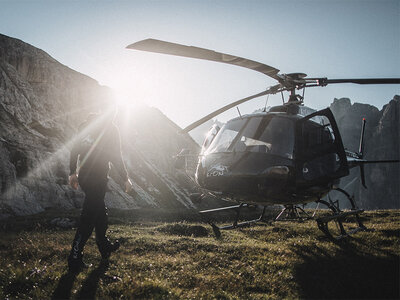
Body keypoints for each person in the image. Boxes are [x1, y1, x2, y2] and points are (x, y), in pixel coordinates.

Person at [68, 109, 132, 273]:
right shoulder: (112, 128)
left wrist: (72, 173)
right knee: (89, 217)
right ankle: (74, 257)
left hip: (84, 177)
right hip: (98, 178)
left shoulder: (85, 125)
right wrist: (125, 178)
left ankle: (105, 247)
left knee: (99, 212)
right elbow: (116, 156)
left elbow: (75, 150)